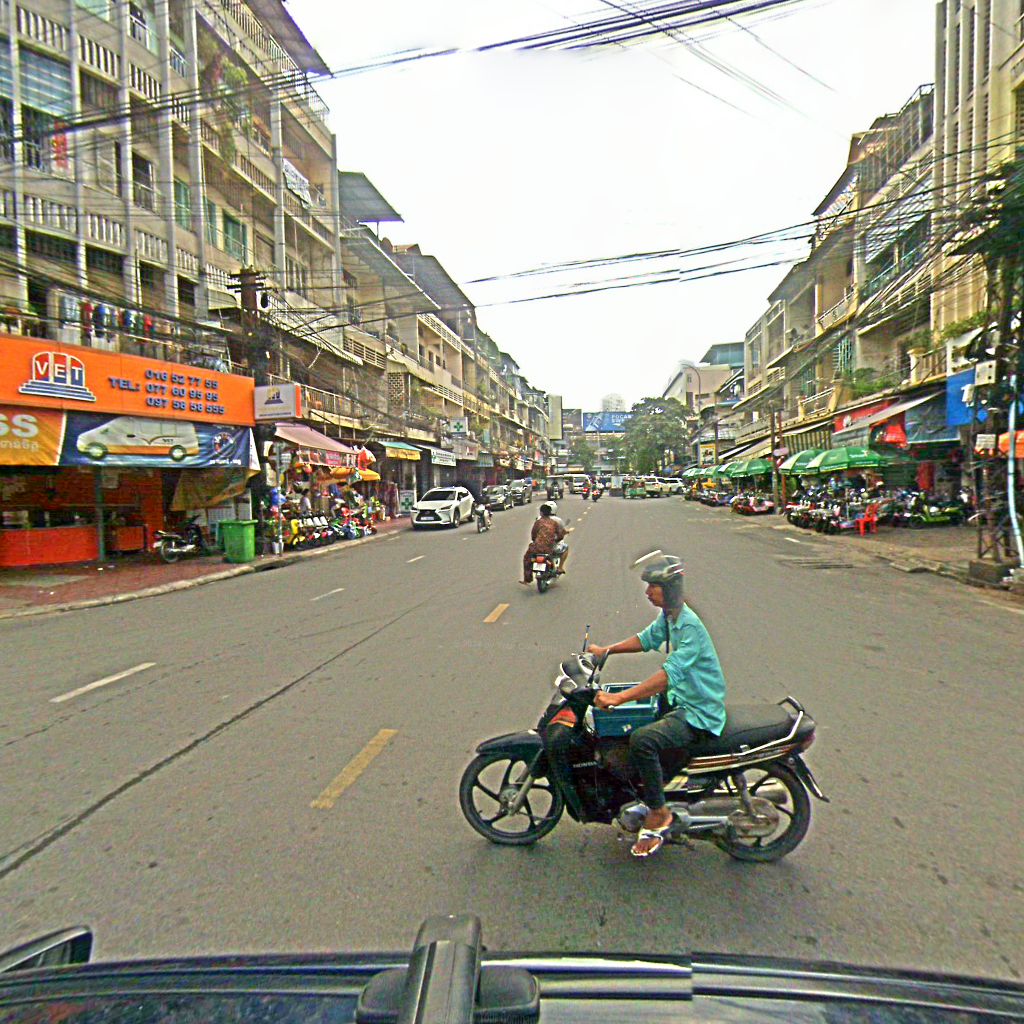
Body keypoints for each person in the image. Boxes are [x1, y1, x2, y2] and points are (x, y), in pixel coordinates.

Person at [587, 555, 726, 858]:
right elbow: (647, 639)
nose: (648, 591)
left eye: (654, 586)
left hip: (698, 711)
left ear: (671, 589)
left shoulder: (689, 626)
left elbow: (668, 675)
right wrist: (606, 651)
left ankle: (658, 812)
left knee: (643, 740)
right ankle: (647, 791)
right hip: (679, 699)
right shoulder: (670, 617)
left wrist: (619, 698)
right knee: (634, 728)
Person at [520, 501, 569, 585]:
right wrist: (557, 539)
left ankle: (527, 579)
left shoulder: (538, 522)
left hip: (536, 548)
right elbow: (560, 535)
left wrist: (535, 541)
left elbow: (533, 534)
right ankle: (559, 568)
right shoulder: (554, 523)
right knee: (561, 550)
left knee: (527, 559)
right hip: (549, 548)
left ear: (541, 513)